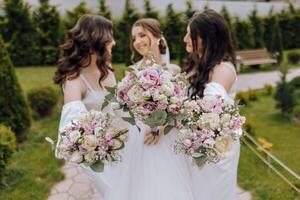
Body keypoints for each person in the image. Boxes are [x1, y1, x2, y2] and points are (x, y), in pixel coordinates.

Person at [183, 9, 240, 200]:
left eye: (190, 34)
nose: (185, 39)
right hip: (193, 144)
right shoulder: (196, 65)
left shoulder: (223, 68)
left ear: (207, 37)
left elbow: (210, 105)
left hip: (214, 151)